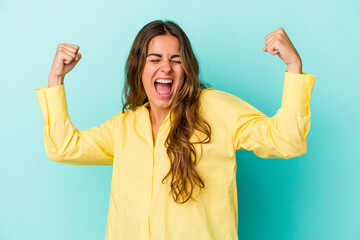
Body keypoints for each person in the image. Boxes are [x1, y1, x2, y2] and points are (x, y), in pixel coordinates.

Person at [35, 20, 316, 240]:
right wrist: (56, 78)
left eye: (176, 60)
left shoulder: (218, 109)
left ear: (187, 68)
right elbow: (63, 147)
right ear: (139, 68)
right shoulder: (123, 126)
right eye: (155, 59)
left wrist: (293, 66)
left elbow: (287, 141)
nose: (166, 68)